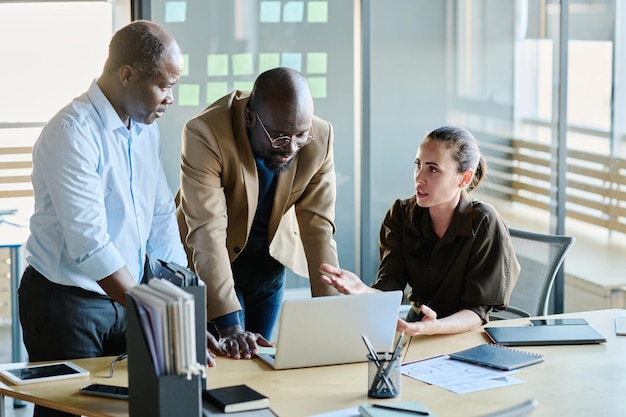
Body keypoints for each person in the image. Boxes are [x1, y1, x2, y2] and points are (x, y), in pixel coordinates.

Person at [18, 20, 218, 417]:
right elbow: (90, 244)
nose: (170, 99)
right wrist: (160, 313)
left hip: (128, 298)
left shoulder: (145, 130)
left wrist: (182, 303)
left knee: (135, 406)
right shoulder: (71, 132)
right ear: (127, 75)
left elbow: (160, 218)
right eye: (164, 86)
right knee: (71, 412)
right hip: (67, 304)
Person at [176, 67, 340, 359]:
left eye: (300, 135)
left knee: (263, 360)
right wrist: (228, 326)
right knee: (229, 357)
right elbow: (207, 231)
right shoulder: (205, 133)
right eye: (278, 137)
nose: (290, 147)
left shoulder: (320, 137)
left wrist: (333, 318)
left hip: (269, 264)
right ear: (250, 117)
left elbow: (318, 230)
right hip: (214, 263)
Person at [320, 126, 520, 336]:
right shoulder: (401, 214)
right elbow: (390, 286)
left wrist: (434, 327)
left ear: (464, 178)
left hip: (463, 335)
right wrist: (363, 291)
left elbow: (477, 311)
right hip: (415, 330)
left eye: (432, 169)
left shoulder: (484, 223)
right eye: (418, 165)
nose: (419, 177)